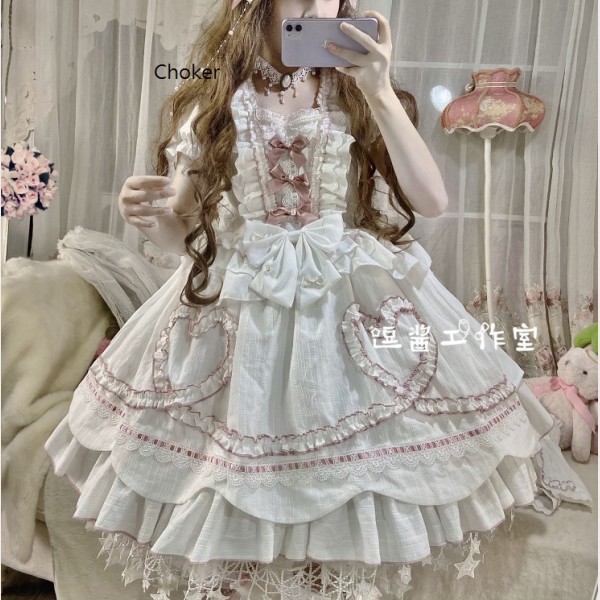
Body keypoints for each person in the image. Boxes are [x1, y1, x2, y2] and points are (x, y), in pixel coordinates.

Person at [45, 1, 591, 599]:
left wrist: (379, 88)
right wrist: (148, 217)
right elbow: (185, 237)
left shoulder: (356, 92)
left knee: (352, 487)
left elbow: (432, 201)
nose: (315, 6)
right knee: (233, 493)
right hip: (239, 304)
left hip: (347, 303)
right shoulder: (217, 99)